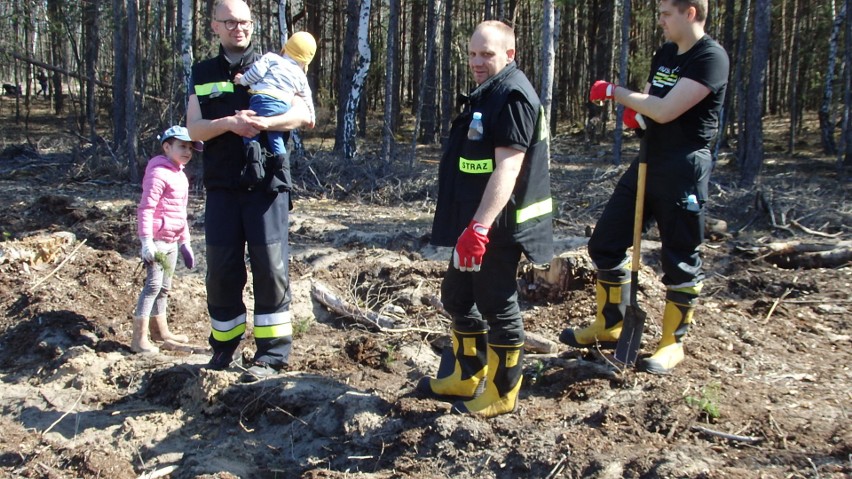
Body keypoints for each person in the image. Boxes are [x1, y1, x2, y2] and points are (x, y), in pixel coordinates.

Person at [559, 0, 729, 375]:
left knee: (680, 258)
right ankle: (610, 323)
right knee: (605, 242)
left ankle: (672, 343)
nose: (660, 21)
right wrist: (638, 116)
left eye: (667, 13)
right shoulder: (667, 53)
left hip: (684, 167)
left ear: (690, 14)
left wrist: (616, 92)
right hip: (649, 160)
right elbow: (653, 104)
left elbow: (666, 110)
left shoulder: (710, 58)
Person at [417, 20, 554, 418]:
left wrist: (479, 228)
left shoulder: (512, 96)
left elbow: (507, 170)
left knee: (497, 303)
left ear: (509, 55)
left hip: (496, 224)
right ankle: (466, 373)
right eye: (473, 53)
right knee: (458, 296)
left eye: (487, 55)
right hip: (473, 220)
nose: (477, 62)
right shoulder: (488, 91)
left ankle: (501, 391)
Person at [186, 0, 314, 381]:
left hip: (267, 186)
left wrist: (263, 122)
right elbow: (194, 129)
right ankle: (223, 348)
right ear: (214, 27)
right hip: (223, 185)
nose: (237, 28)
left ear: (252, 25)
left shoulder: (277, 62)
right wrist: (229, 122)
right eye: (228, 22)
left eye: (243, 21)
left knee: (271, 269)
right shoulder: (203, 72)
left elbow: (305, 115)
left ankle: (272, 355)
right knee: (222, 271)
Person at [132, 126, 201, 354]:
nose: (187, 151)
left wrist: (185, 242)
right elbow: (146, 208)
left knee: (164, 287)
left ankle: (160, 332)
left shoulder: (179, 174)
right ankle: (139, 339)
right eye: (182, 146)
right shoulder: (158, 173)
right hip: (158, 240)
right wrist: (146, 241)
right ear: (167, 147)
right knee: (152, 286)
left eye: (190, 147)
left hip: (172, 240)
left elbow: (180, 213)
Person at [233, 31, 317, 163]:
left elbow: (256, 72)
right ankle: (282, 166)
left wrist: (243, 80)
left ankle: (253, 160)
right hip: (282, 106)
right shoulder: (301, 76)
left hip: (262, 101)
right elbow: (307, 97)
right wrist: (312, 116)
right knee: (276, 136)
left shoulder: (271, 58)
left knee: (250, 131)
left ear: (286, 47)